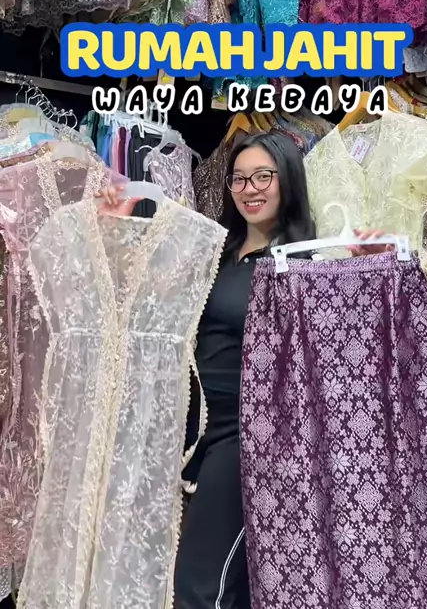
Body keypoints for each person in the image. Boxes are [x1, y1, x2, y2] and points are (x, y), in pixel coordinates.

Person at [98, 130, 390, 609]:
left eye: (262, 177)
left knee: (200, 586)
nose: (249, 189)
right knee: (225, 585)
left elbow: (351, 352)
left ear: (288, 180)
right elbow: (144, 307)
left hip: (249, 440)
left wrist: (374, 274)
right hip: (190, 434)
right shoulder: (214, 252)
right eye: (238, 178)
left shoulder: (305, 265)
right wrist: (115, 227)